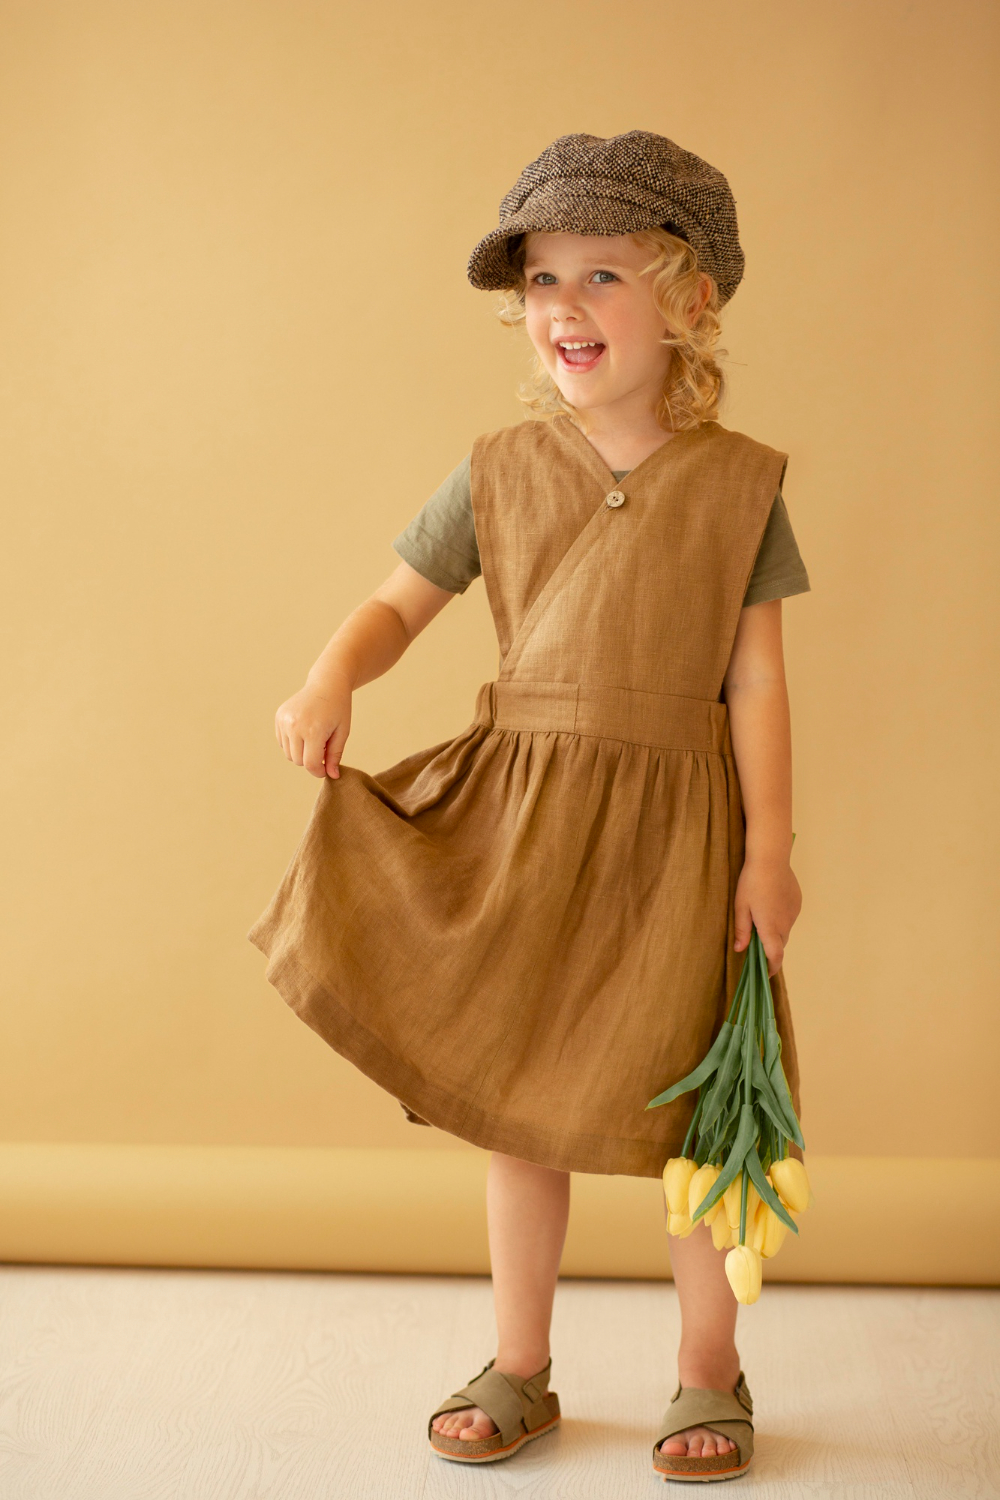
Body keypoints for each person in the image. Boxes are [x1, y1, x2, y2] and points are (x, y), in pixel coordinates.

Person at [248, 129, 809, 1483]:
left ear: (689, 300)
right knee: (515, 1097)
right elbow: (397, 607)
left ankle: (710, 1369)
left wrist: (772, 852)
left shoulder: (742, 486)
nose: (564, 304)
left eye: (602, 273)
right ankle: (519, 1361)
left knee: (698, 1115)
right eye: (543, 278)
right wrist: (331, 675)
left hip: (682, 837)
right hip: (525, 823)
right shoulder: (497, 469)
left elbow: (756, 682)